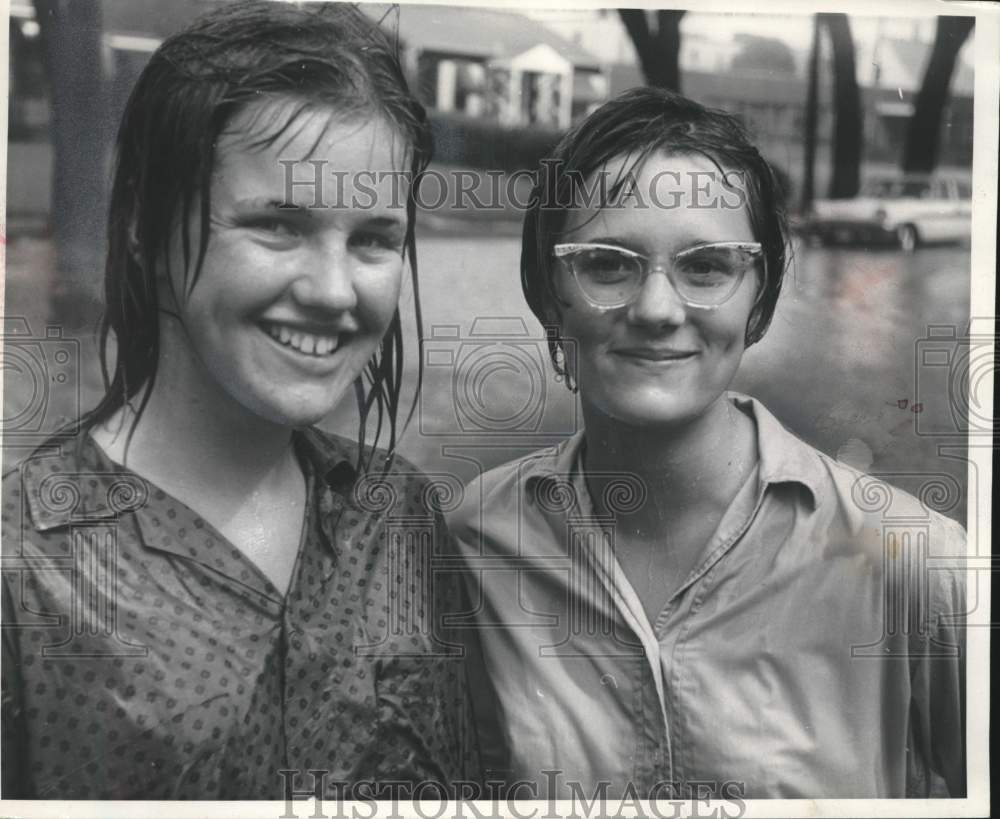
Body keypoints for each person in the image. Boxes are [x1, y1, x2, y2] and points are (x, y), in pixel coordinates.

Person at [2, 1, 479, 799]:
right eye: (277, 225)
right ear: (146, 228)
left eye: (373, 238)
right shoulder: (25, 567)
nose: (333, 291)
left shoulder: (396, 514)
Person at [448, 87, 966, 800]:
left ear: (759, 296)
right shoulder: (475, 540)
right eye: (605, 263)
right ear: (547, 289)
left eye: (706, 267)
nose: (657, 309)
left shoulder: (914, 562)